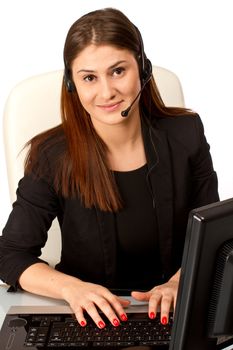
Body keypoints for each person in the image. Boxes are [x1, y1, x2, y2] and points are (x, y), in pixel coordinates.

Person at [0, 7, 219, 330]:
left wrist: (180, 282)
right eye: (89, 77)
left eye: (118, 71)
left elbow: (212, 236)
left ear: (143, 69)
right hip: (90, 320)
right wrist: (70, 288)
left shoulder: (186, 133)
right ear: (72, 84)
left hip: (175, 316)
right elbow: (10, 255)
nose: (106, 92)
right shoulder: (52, 155)